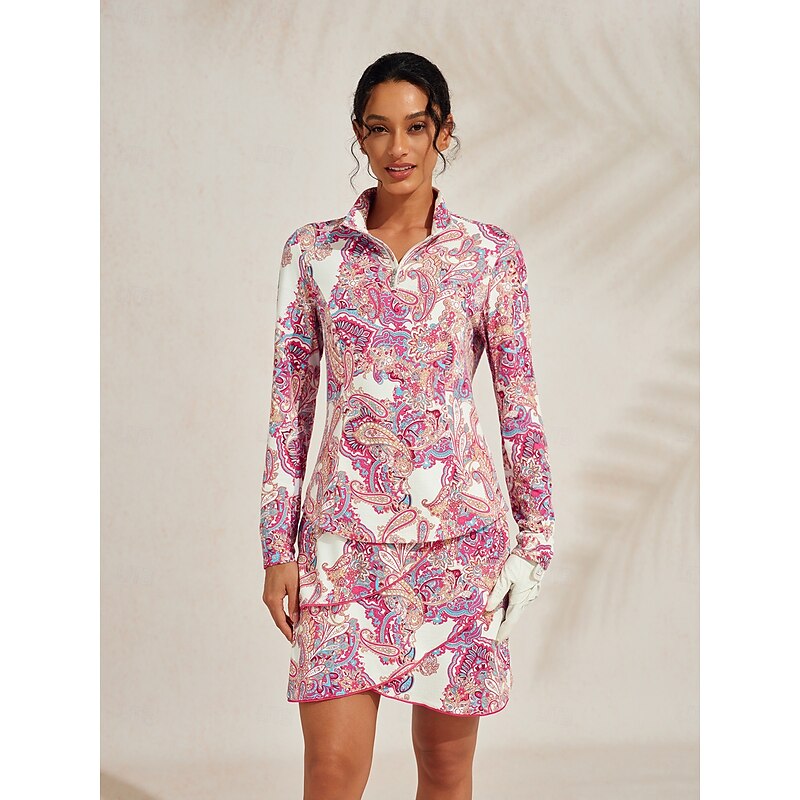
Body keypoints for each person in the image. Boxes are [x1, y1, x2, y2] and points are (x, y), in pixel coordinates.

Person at [260, 51, 555, 800]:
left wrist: (536, 541)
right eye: (379, 128)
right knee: (332, 771)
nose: (398, 147)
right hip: (341, 550)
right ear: (359, 135)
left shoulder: (488, 256)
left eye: (416, 127)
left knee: (445, 770)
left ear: (443, 133)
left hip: (460, 548)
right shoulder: (314, 253)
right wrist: (276, 549)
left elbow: (519, 409)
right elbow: (290, 411)